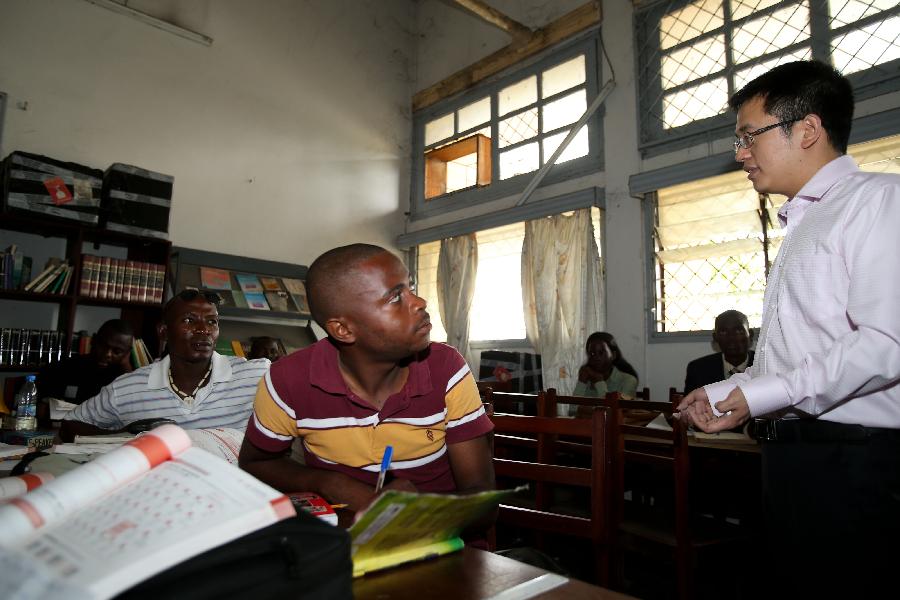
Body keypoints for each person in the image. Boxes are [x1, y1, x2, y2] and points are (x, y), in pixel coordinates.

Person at [676, 60, 900, 598]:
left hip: (855, 461)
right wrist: (727, 390)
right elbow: (797, 353)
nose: (740, 153)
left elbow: (884, 346)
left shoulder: (879, 202)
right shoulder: (803, 222)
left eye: (749, 135)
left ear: (808, 130)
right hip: (794, 459)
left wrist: (761, 395)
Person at [238, 244, 495, 517]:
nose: (419, 302)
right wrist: (330, 483)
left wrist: (418, 512)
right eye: (396, 297)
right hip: (341, 544)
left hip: (443, 543)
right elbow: (255, 463)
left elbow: (483, 497)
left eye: (411, 287)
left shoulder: (445, 368)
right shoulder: (288, 379)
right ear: (343, 329)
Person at [59, 289, 270, 441]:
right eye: (189, 320)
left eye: (211, 321)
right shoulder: (126, 388)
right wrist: (124, 437)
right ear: (164, 332)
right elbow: (70, 425)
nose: (203, 329)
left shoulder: (254, 375)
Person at [37, 319, 134, 405]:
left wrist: (126, 366)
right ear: (93, 340)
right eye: (103, 346)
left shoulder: (124, 377)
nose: (107, 354)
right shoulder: (64, 367)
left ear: (127, 353)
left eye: (117, 351)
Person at [682, 309, 754, 394]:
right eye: (723, 332)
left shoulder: (766, 365)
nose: (731, 338)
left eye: (738, 331)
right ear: (715, 338)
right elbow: (691, 405)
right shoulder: (698, 369)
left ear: (750, 335)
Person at [573, 332, 638, 399]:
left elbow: (611, 409)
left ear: (613, 355)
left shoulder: (628, 381)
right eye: (592, 354)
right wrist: (582, 381)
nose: (596, 358)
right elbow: (573, 409)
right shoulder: (587, 378)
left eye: (601, 353)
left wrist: (599, 382)